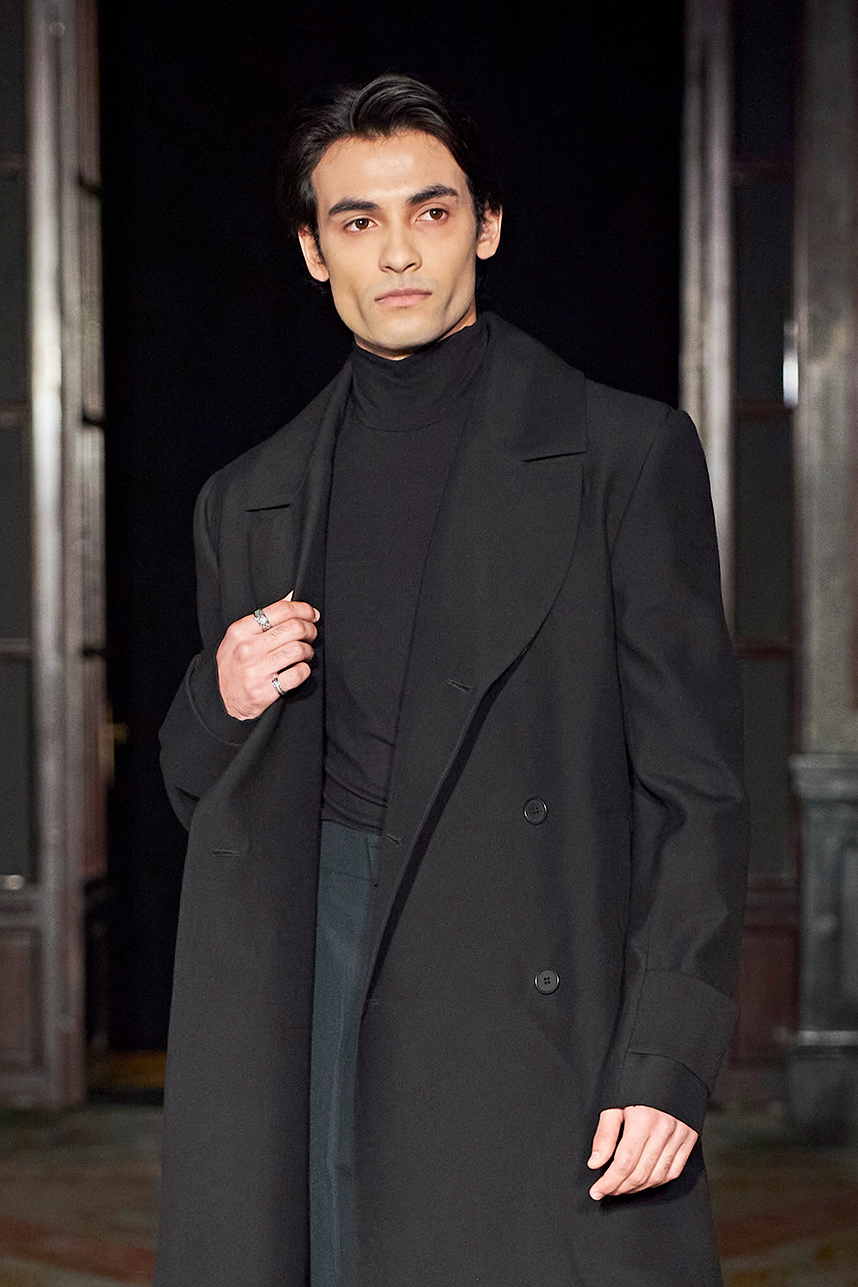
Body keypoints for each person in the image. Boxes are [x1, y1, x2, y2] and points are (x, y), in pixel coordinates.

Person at [154, 73, 749, 1287]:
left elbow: (696, 791)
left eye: (430, 212)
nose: (397, 253)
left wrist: (668, 1055)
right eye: (358, 221)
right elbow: (203, 800)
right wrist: (221, 695)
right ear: (314, 252)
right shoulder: (249, 497)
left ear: (485, 225)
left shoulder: (621, 455)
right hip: (317, 976)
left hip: (539, 991)